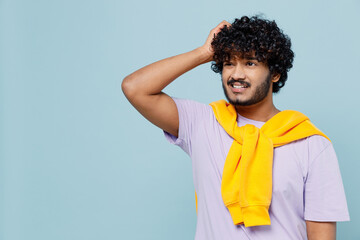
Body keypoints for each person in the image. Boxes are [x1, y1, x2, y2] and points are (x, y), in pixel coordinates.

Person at [122, 16, 350, 240]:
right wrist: (203, 53)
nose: (236, 74)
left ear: (275, 73)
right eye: (228, 62)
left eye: (250, 63)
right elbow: (135, 88)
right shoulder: (203, 123)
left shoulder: (311, 144)